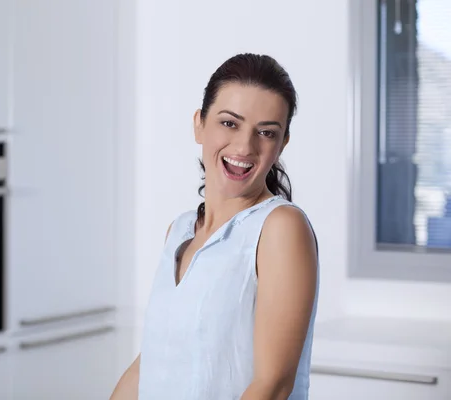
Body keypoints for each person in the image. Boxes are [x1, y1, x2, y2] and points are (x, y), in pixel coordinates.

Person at [110, 53, 319, 400]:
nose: (244, 147)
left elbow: (273, 385)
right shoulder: (178, 232)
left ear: (282, 144)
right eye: (229, 123)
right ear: (199, 124)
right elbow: (154, 362)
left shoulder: (280, 228)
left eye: (266, 132)